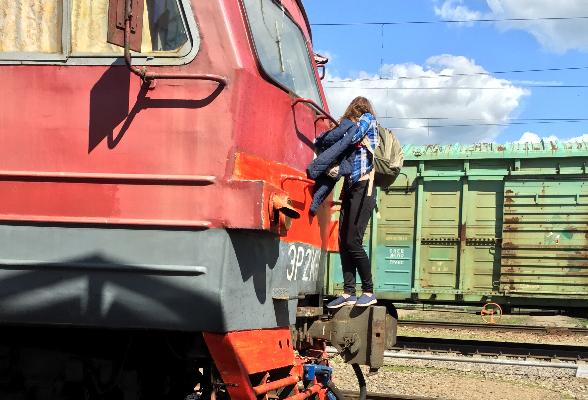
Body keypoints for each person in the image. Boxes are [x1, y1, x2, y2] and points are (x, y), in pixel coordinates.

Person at [327, 96, 378, 308]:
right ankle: (349, 293)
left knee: (353, 241)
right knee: (343, 241)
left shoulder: (368, 119)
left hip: (364, 185)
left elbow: (354, 136)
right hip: (349, 187)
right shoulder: (355, 122)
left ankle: (368, 290)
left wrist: (343, 129)